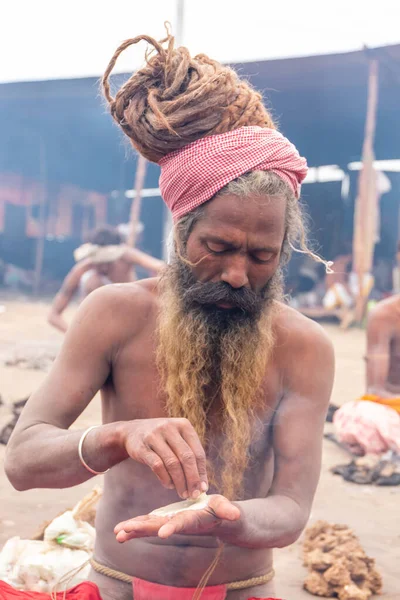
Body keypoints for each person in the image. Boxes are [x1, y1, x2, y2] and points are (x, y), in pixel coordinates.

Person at [5, 30, 334, 600]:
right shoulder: (115, 313)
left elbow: (290, 508)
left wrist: (226, 518)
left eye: (262, 256)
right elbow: (24, 461)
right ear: (181, 233)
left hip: (243, 587)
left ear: (283, 252)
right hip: (118, 583)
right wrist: (120, 437)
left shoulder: (305, 346)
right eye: (219, 247)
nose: (237, 274)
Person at [48, 226, 165, 333]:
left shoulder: (126, 256)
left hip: (130, 316)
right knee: (92, 280)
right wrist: (76, 335)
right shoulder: (81, 271)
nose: (104, 267)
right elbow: (53, 315)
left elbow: (161, 267)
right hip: (97, 326)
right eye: (99, 262)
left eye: (108, 262)